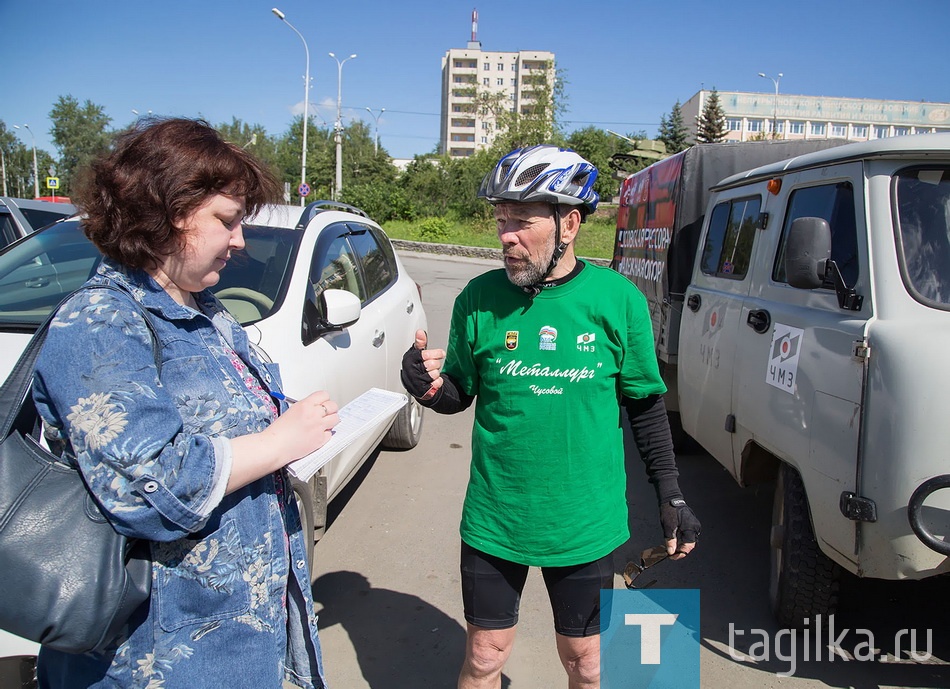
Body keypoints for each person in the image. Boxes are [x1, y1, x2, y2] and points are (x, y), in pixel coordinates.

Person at [32, 118, 337, 688]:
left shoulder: (204, 310)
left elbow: (231, 415)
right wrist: (279, 442)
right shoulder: (101, 322)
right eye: (226, 220)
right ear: (169, 211)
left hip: (237, 635)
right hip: (156, 656)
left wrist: (296, 419)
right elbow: (152, 485)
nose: (240, 239)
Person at [400, 145, 701, 689]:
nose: (506, 236)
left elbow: (645, 404)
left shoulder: (618, 300)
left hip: (584, 521)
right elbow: (459, 391)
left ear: (570, 223)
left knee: (586, 663)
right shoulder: (478, 298)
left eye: (522, 221)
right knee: (486, 657)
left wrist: (670, 494)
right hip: (497, 517)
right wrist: (426, 388)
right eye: (500, 220)